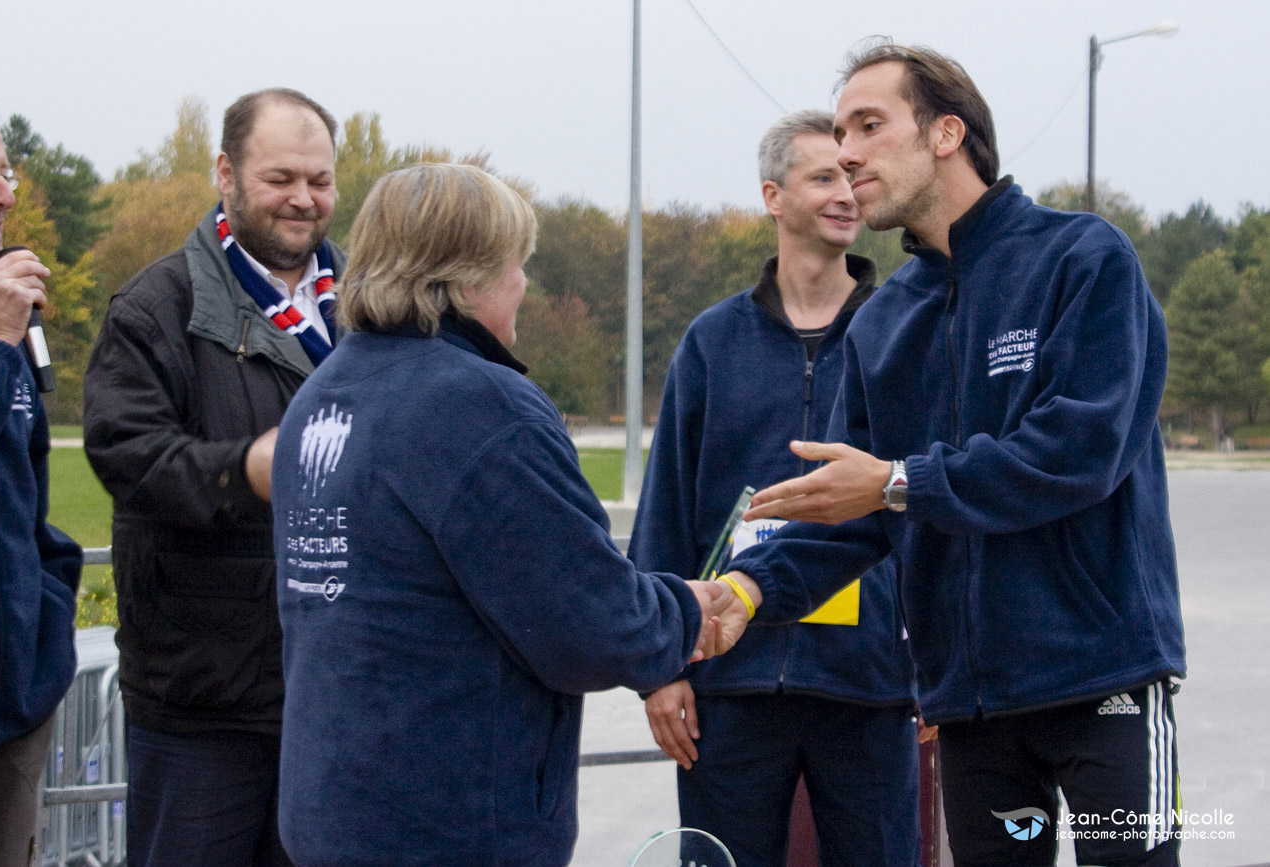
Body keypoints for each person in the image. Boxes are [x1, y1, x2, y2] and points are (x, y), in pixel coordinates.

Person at [717, 42, 1184, 867]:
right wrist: (749, 589)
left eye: (869, 124)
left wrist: (901, 480)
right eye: (838, 131)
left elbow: (1080, 451)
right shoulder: (883, 320)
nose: (847, 151)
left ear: (945, 134)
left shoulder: (1083, 259)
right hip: (972, 712)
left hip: (1103, 685)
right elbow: (851, 508)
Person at [270, 163, 732, 867]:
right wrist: (688, 611)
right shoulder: (478, 407)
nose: (523, 284)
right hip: (447, 821)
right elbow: (589, 620)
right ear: (464, 279)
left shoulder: (325, 392)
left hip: (333, 803)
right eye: (515, 264)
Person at [628, 109, 919, 867]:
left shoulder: (904, 331)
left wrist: (936, 664)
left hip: (870, 686)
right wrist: (660, 669)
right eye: (823, 176)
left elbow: (929, 498)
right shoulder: (712, 342)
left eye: (853, 176)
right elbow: (664, 515)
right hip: (733, 681)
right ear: (773, 196)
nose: (846, 193)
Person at [83, 88, 344, 867]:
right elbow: (127, 454)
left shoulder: (369, 309)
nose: (303, 199)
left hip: (332, 698)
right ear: (225, 174)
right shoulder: (153, 308)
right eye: (281, 177)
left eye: (321, 180)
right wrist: (245, 471)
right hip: (202, 709)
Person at [0, 94, 83, 867]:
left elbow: (26, 484)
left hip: (11, 706)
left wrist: (48, 603)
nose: (5, 194)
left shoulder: (5, 311)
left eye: (3, 170)